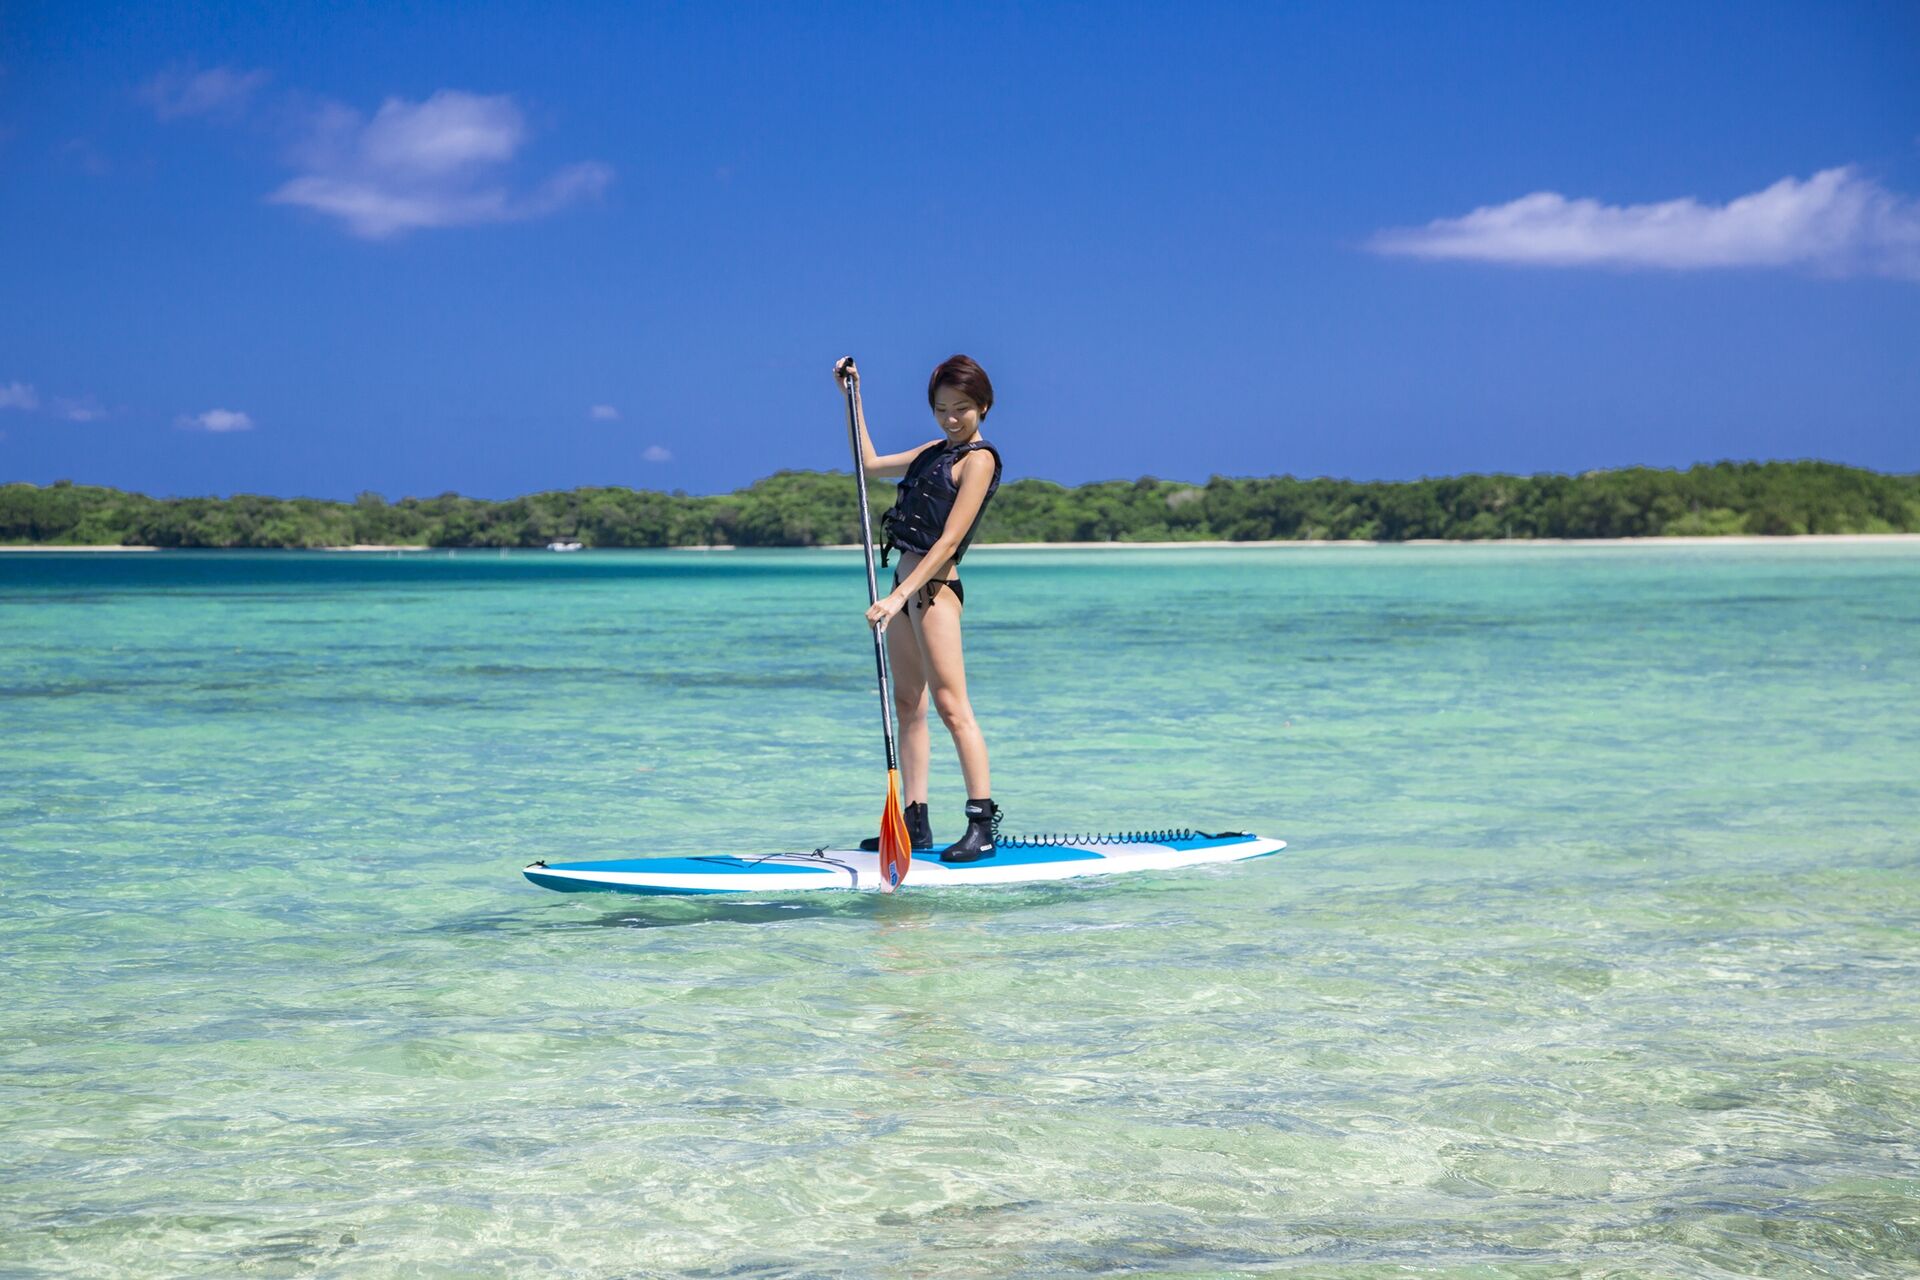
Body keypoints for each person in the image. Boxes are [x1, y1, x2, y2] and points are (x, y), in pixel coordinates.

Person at [835, 353, 1004, 862]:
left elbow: (949, 542)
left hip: (933, 593)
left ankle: (981, 824)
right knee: (909, 704)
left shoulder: (979, 461)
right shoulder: (932, 452)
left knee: (952, 707)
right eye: (941, 409)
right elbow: (868, 466)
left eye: (961, 408)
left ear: (983, 406)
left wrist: (897, 597)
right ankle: (915, 821)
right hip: (903, 590)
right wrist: (852, 398)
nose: (951, 419)